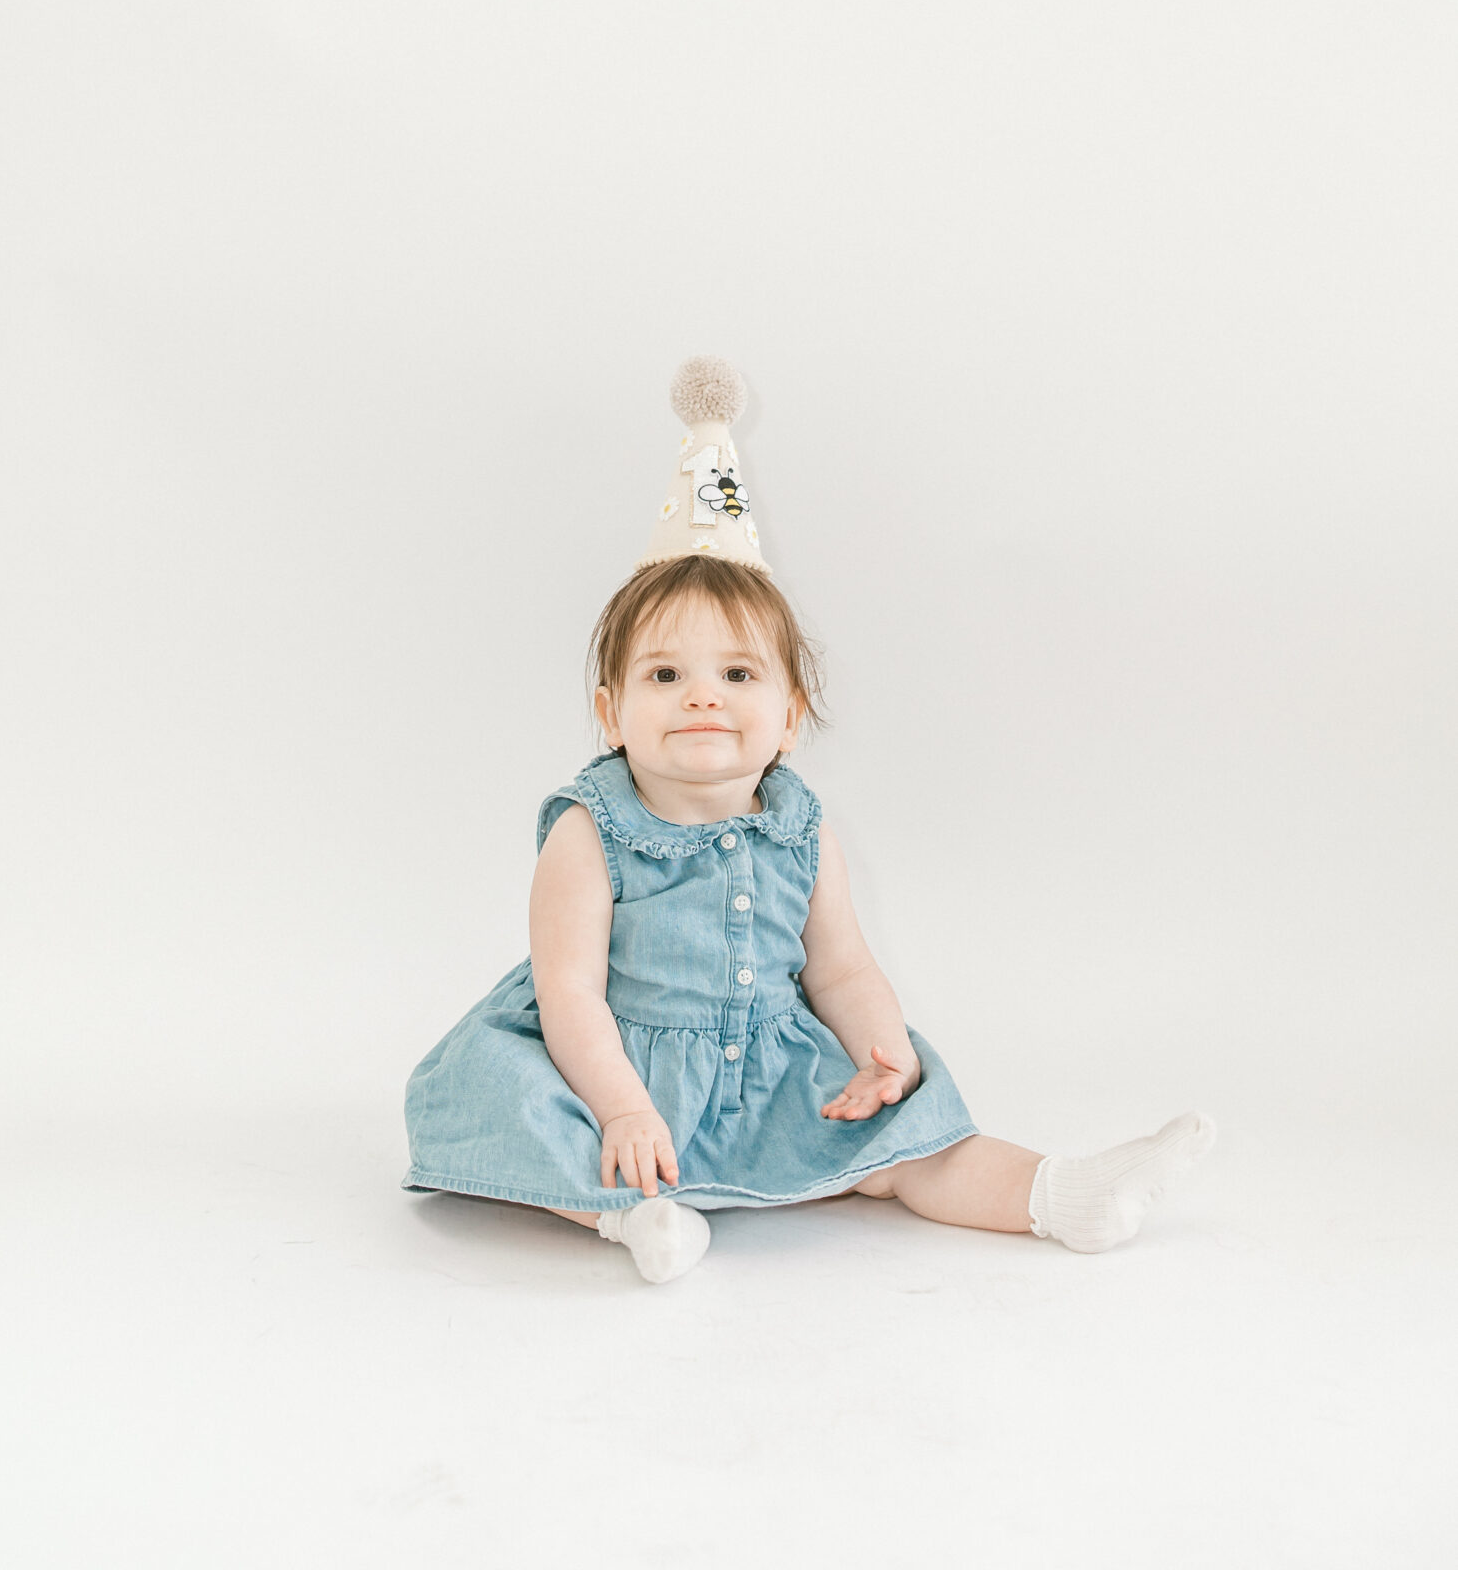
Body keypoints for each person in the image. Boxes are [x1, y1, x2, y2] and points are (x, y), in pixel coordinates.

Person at [402, 356, 1216, 1283]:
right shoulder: (587, 832)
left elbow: (841, 965)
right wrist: (625, 1107)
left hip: (761, 1069)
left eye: (737, 675)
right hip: (611, 1067)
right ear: (609, 710)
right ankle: (633, 1218)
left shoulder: (801, 828)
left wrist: (882, 1052)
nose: (701, 698)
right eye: (664, 675)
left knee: (904, 1137)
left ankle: (1061, 1195)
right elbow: (570, 996)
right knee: (521, 1117)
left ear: (789, 717)